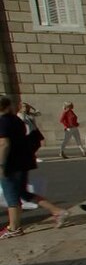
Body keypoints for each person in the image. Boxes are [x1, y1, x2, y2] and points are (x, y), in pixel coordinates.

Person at [0, 96, 68, 238]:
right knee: (23, 193)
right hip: (23, 162)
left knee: (12, 196)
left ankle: (14, 228)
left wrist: (1, 164)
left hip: (10, 164)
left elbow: (4, 144)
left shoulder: (2, 121)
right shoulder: (16, 120)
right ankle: (57, 211)